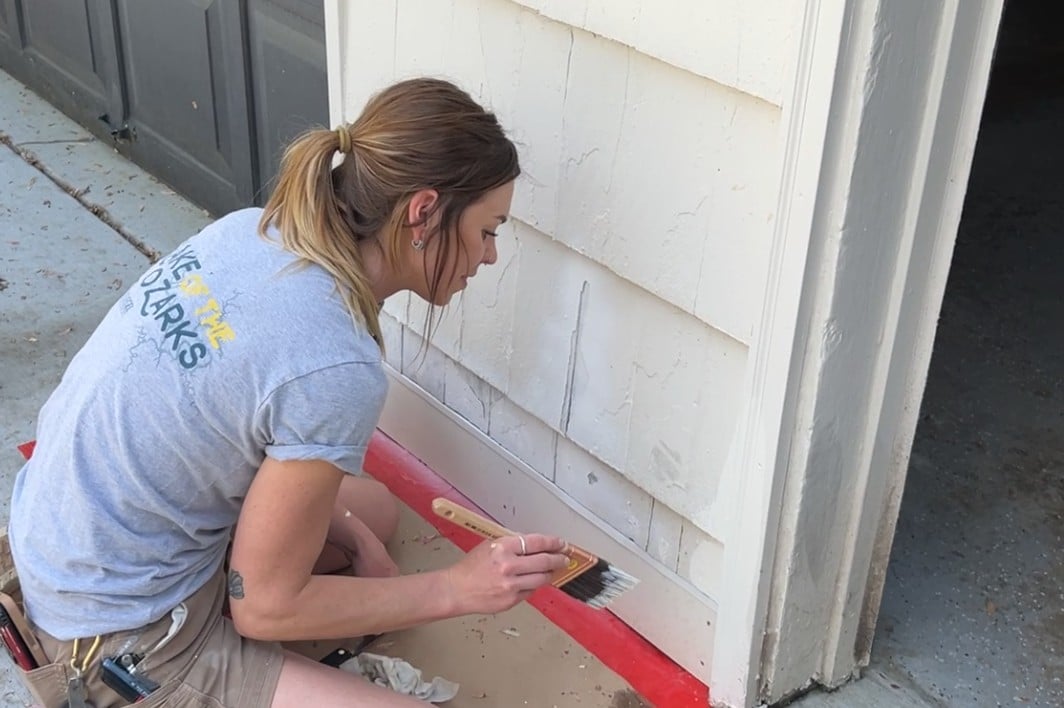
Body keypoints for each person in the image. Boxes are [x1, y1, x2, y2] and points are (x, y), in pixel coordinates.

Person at [8, 77, 570, 707]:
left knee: (374, 515)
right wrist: (458, 588)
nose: (489, 256)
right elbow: (265, 610)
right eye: (488, 230)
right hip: (118, 638)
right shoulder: (336, 363)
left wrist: (353, 539)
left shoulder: (255, 230)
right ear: (423, 212)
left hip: (64, 546)